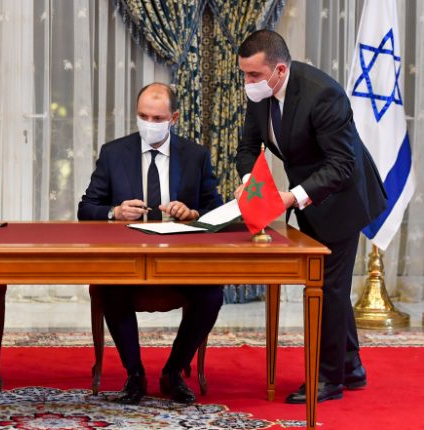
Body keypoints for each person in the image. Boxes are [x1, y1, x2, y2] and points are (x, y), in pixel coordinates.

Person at [236, 30, 387, 404]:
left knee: (327, 288)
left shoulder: (323, 95)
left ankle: (328, 379)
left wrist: (290, 197)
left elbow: (341, 164)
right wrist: (248, 183)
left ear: (279, 70)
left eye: (254, 75)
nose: (248, 83)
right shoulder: (260, 95)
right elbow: (246, 148)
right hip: (308, 197)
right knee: (329, 285)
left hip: (343, 196)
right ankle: (350, 367)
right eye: (244, 74)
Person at [77, 83, 224, 404]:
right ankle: (135, 374)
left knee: (212, 294)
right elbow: (86, 208)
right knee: (110, 289)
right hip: (127, 259)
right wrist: (114, 212)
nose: (149, 123)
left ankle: (173, 371)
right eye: (143, 116)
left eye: (157, 118)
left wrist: (193, 213)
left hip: (181, 259)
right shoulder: (114, 153)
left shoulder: (195, 156)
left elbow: (217, 209)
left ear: (174, 118)